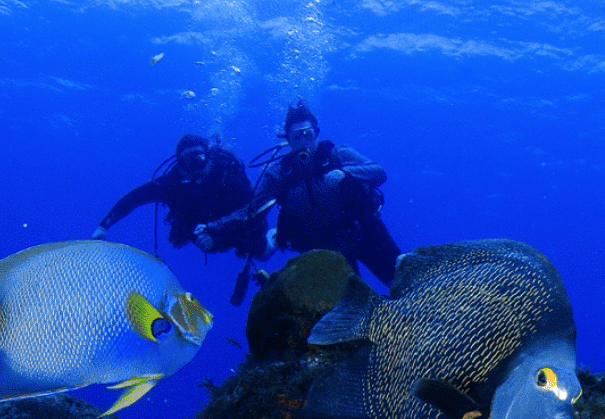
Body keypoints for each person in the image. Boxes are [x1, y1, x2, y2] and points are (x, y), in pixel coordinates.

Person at [199, 102, 399, 285]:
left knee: (406, 287)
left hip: (365, 233)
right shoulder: (277, 173)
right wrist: (213, 228)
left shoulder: (338, 154)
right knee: (348, 316)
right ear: (288, 140)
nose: (303, 141)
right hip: (324, 251)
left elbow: (378, 172)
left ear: (316, 133)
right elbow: (252, 212)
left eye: (308, 134)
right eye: (296, 136)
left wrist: (345, 174)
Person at [92, 133, 256, 253]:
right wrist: (103, 226)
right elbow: (134, 198)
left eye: (198, 160)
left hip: (237, 220)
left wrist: (215, 231)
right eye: (187, 163)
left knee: (258, 249)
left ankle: (272, 239)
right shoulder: (172, 183)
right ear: (180, 167)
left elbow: (254, 208)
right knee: (182, 236)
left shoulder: (228, 177)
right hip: (199, 221)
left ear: (209, 159)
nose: (195, 169)